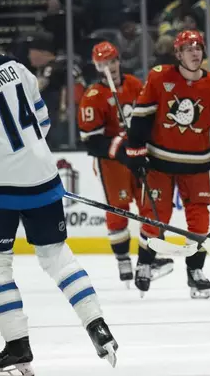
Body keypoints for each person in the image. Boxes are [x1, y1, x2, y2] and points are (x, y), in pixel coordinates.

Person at [0, 12, 118, 374]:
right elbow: (42, 120)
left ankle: (17, 346)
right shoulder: (14, 66)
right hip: (42, 176)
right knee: (57, 258)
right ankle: (97, 325)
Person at [125, 30, 210, 299]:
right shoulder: (160, 77)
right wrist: (135, 151)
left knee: (199, 219)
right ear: (178, 54)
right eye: (188, 48)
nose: (194, 53)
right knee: (155, 215)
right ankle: (145, 264)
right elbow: (140, 117)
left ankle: (195, 271)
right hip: (160, 161)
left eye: (198, 47)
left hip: (197, 164)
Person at [77, 41, 174, 287]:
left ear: (119, 60)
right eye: (104, 64)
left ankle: (148, 258)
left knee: (148, 205)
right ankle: (122, 260)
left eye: (113, 61)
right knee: (118, 208)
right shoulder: (92, 97)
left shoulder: (134, 84)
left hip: (138, 154)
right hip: (113, 163)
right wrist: (121, 148)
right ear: (97, 67)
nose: (110, 68)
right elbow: (91, 141)